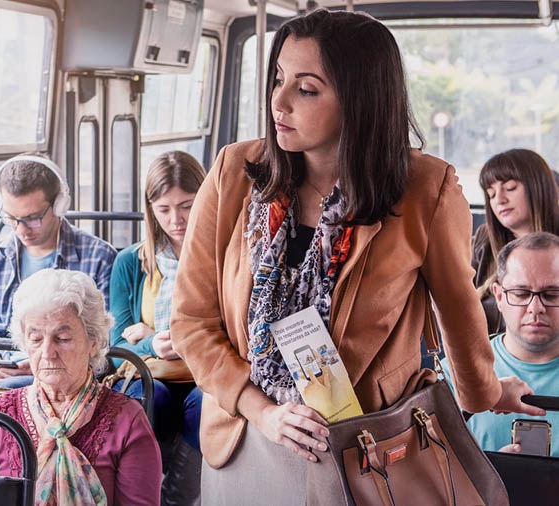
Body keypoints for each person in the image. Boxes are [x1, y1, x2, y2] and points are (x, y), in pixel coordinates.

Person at [169, 9, 542, 505]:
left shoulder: (424, 189)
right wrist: (263, 411)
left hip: (365, 446)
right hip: (247, 437)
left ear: (360, 100)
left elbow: (459, 316)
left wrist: (485, 393)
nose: (278, 102)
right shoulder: (236, 171)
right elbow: (192, 321)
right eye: (278, 79)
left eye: (306, 89)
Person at [0, 269, 161, 505]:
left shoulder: (127, 420)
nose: (47, 353)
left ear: (94, 342)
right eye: (36, 339)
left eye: (63, 339)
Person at [0, 154, 117, 388]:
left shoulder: (98, 256)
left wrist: (40, 362)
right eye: (11, 218)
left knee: (4, 391)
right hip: (2, 370)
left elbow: (104, 342)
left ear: (59, 205)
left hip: (63, 372)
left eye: (32, 219)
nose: (22, 229)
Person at [108, 150, 205, 505]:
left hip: (206, 372)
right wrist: (151, 347)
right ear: (150, 210)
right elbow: (116, 343)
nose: (176, 219)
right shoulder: (130, 263)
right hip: (153, 373)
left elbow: (233, 329)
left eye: (186, 205)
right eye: (163, 210)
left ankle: (175, 498)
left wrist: (150, 333)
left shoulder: (223, 256)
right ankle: (142, 490)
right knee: (150, 397)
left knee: (205, 401)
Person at [450, 232, 559, 456]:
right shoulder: (455, 375)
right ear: (499, 297)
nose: (535, 307)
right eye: (520, 293)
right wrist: (490, 474)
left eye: (552, 294)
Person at [472, 149, 559, 334]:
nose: (499, 200)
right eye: (491, 194)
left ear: (539, 188)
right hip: (493, 356)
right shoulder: (484, 242)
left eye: (510, 188)